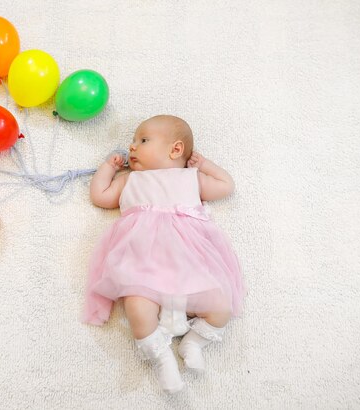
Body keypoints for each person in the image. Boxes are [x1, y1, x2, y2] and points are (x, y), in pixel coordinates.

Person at [82, 115, 244, 393]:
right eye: (133, 141)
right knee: (137, 308)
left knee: (221, 307)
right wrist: (107, 169)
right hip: (142, 267)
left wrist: (204, 165)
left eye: (142, 140)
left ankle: (194, 343)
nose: (132, 147)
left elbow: (226, 185)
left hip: (190, 266)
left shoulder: (191, 178)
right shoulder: (129, 180)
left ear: (176, 150)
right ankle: (162, 357)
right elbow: (101, 196)